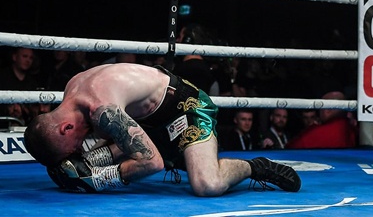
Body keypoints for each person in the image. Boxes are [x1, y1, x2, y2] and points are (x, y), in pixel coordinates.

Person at [23, 63, 301, 196]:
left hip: (186, 108)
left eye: (69, 146)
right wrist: (78, 163)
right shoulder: (73, 88)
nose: (75, 148)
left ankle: (256, 167)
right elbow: (106, 136)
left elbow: (150, 163)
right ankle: (175, 154)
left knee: (208, 185)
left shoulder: (100, 108)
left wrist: (95, 178)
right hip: (150, 121)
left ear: (65, 127)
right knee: (96, 152)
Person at [287, 91, 357, 149]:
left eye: (321, 109)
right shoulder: (353, 129)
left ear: (327, 110)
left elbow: (290, 148)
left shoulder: (320, 132)